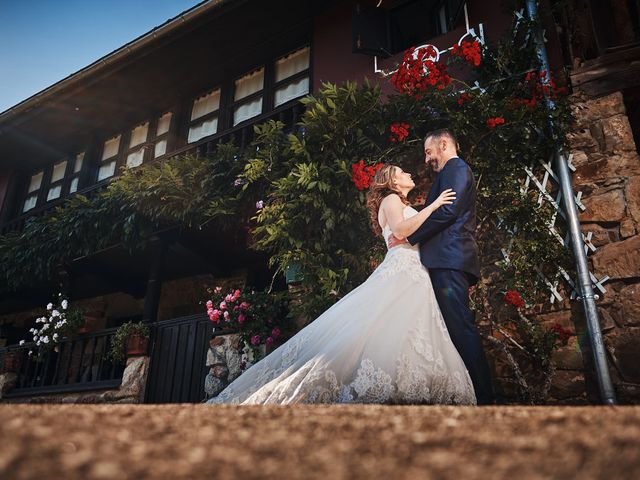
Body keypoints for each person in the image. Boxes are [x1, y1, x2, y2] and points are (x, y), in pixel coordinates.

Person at [207, 163, 476, 405]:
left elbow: (412, 233)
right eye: (402, 172)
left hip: (414, 270)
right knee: (380, 327)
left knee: (405, 327)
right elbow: (401, 232)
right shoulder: (391, 199)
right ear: (392, 182)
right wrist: (435, 205)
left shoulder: (397, 200)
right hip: (403, 270)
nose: (409, 173)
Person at [388, 128, 495, 405]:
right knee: (453, 327)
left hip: (450, 259)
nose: (426, 159)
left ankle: (486, 398)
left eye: (428, 151)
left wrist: (409, 237)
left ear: (444, 144)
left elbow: (447, 211)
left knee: (460, 327)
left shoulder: (456, 168)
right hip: (446, 259)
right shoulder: (450, 172)